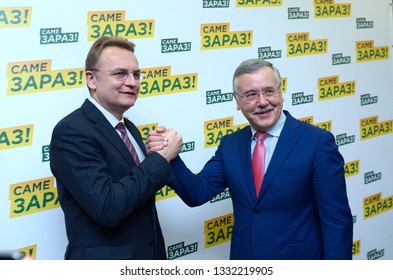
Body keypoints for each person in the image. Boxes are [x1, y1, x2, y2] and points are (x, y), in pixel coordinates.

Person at [147, 59, 353, 260]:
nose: (262, 102)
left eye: (269, 91)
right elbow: (197, 192)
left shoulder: (317, 143)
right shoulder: (230, 145)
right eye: (251, 95)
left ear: (281, 92)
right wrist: (167, 155)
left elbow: (336, 221)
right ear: (237, 100)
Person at [50, 36, 182, 260]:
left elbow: (139, 191)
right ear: (91, 79)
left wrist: (155, 155)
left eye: (136, 74)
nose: (132, 82)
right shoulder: (71, 132)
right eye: (120, 74)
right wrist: (159, 160)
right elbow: (108, 208)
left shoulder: (128, 128)